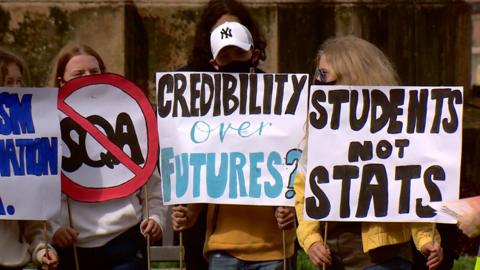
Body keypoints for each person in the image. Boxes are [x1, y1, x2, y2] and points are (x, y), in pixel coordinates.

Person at [295, 35, 443, 270]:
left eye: (326, 79)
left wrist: (426, 240)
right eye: (317, 78)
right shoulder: (317, 131)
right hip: (332, 257)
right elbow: (304, 193)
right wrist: (311, 240)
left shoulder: (396, 131)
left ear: (354, 80)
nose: (319, 87)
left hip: (384, 258)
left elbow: (412, 190)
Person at [171, 21, 297, 270]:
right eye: (225, 56)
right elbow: (205, 171)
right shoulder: (204, 115)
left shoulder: (281, 105)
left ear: (255, 55)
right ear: (214, 65)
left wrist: (292, 207)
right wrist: (190, 214)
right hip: (223, 246)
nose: (233, 60)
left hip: (274, 245)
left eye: (239, 53)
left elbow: (296, 161)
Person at [49, 43, 166, 270]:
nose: (89, 78)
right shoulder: (48, 127)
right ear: (61, 82)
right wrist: (54, 230)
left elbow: (152, 185)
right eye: (78, 74)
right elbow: (40, 192)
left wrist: (156, 219)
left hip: (127, 244)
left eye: (95, 71)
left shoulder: (130, 120)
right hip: (72, 249)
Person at [176, 1, 269, 269]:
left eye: (234, 29)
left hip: (253, 222)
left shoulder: (268, 89)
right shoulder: (184, 87)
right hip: (199, 215)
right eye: (220, 31)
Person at [0, 48, 58, 270]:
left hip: (13, 263)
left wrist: (43, 250)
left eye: (19, 82)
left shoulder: (28, 146)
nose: (16, 90)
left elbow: (35, 225)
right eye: (7, 82)